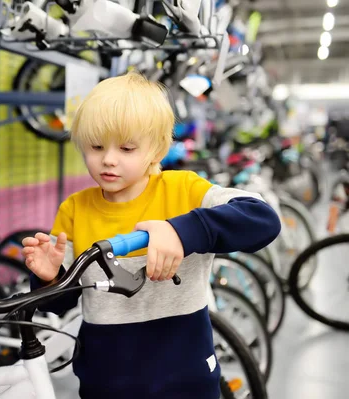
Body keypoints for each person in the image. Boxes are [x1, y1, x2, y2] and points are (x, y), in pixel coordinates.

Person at [21, 70, 281, 398]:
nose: (108, 160)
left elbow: (262, 219)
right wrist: (50, 279)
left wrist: (182, 231)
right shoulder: (75, 210)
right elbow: (60, 304)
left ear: (156, 149)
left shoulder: (183, 190)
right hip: (106, 384)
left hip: (187, 383)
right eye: (96, 146)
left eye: (127, 148)